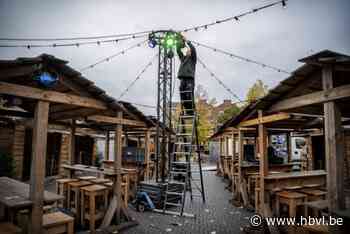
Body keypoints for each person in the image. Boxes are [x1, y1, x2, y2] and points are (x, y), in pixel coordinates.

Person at [176, 34, 197, 115]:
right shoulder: (183, 58)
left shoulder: (193, 59)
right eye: (187, 50)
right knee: (182, 92)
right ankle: (186, 110)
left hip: (190, 79)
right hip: (183, 78)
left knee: (189, 93)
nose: (188, 51)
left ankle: (191, 110)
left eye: (189, 51)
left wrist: (187, 41)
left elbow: (193, 49)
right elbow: (178, 50)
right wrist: (180, 41)